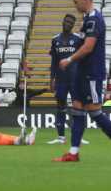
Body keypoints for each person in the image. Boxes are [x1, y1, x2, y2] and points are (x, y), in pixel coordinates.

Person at [53, 0, 111, 162]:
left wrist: (69, 59)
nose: (76, 6)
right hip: (81, 72)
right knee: (77, 109)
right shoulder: (87, 19)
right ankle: (73, 152)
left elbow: (88, 47)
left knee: (94, 112)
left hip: (92, 73)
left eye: (77, 2)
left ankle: (73, 151)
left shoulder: (95, 20)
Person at [48, 14, 89, 145]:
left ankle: (79, 136)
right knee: (60, 106)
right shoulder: (55, 40)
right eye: (67, 21)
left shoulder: (77, 39)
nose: (68, 23)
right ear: (63, 22)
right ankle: (61, 137)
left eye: (71, 22)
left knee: (78, 107)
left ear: (73, 25)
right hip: (61, 80)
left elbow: (83, 58)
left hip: (76, 79)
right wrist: (51, 78)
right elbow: (54, 61)